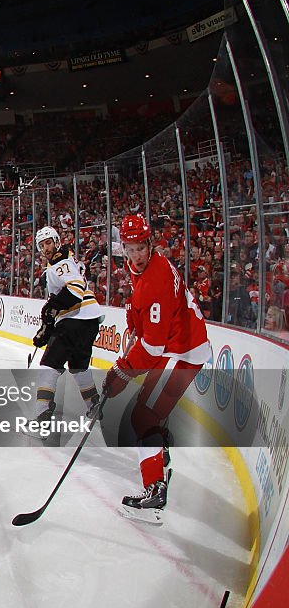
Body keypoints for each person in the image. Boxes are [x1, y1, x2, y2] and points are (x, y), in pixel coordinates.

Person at [103, 214, 210, 524]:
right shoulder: (145, 267)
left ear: (150, 244)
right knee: (150, 408)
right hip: (180, 346)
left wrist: (122, 373)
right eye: (130, 248)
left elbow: (153, 346)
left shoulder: (156, 278)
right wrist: (134, 321)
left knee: (141, 416)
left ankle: (155, 490)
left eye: (140, 247)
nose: (136, 255)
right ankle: (160, 453)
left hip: (183, 351)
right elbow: (143, 311)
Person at [25, 226, 102, 436]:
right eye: (42, 245)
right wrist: (47, 326)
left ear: (57, 242)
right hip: (90, 321)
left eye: (48, 242)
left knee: (48, 365)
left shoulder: (61, 262)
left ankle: (41, 417)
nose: (46, 248)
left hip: (75, 320)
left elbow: (75, 290)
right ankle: (94, 404)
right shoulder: (66, 260)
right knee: (79, 366)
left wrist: (51, 308)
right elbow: (59, 303)